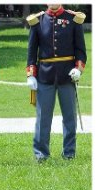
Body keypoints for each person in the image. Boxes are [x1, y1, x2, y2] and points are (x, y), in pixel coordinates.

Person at [26, 4, 87, 161]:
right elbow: (32, 51)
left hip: (67, 75)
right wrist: (31, 74)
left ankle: (69, 153)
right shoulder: (37, 21)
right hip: (45, 76)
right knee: (43, 118)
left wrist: (78, 69)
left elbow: (80, 50)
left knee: (69, 117)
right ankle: (41, 154)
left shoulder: (73, 19)